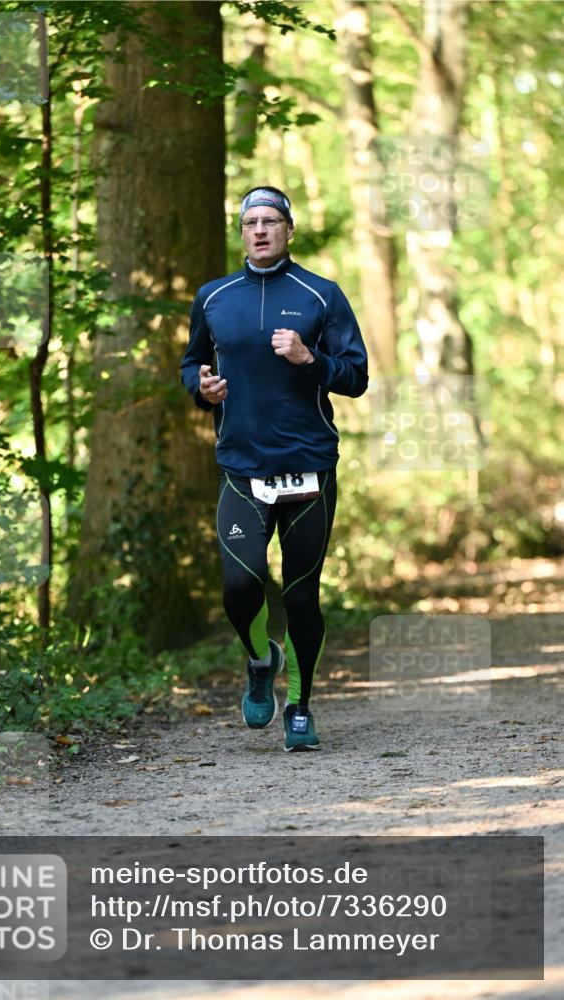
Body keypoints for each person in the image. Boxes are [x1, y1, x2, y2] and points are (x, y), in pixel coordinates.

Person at [180, 186, 368, 751]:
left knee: (303, 597)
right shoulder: (213, 298)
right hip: (242, 466)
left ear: (289, 229)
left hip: (309, 467)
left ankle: (301, 707)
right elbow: (192, 363)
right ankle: (262, 659)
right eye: (250, 223)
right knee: (240, 585)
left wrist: (311, 358)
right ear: (241, 233)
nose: (260, 230)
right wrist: (202, 389)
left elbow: (356, 376)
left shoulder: (322, 295)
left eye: (271, 221)